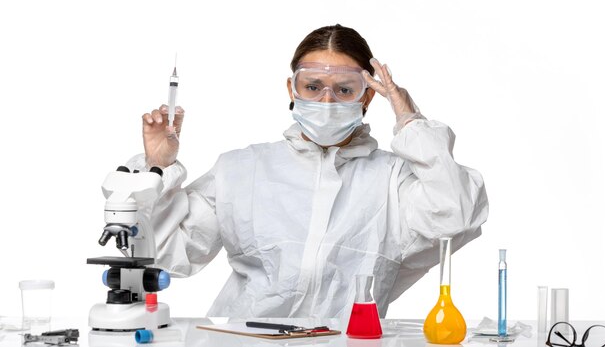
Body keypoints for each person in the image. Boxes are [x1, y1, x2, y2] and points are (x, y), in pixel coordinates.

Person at [127, 24, 489, 319]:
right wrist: (159, 166)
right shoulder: (242, 170)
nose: (327, 101)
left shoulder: (394, 180)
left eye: (345, 89)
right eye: (312, 87)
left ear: (367, 96)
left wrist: (409, 119)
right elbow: (164, 255)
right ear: (292, 88)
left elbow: (455, 217)